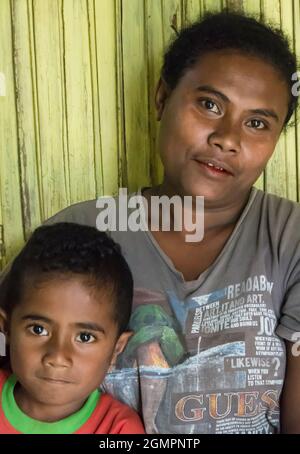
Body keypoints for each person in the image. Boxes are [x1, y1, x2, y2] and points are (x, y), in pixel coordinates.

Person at [4, 9, 300, 434]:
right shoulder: (83, 235)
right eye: (209, 104)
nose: (227, 138)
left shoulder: (288, 240)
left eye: (257, 123)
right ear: (162, 98)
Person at [0, 223, 145, 434]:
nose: (58, 357)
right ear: (7, 328)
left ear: (117, 348)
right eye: (38, 330)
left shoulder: (119, 429)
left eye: (85, 337)